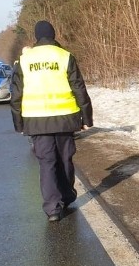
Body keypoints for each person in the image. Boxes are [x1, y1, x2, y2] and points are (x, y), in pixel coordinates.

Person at [10, 20, 93, 222]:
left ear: (37, 36)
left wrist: (19, 124)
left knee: (47, 163)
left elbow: (16, 95)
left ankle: (52, 209)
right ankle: (67, 196)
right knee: (65, 159)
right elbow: (79, 88)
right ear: (53, 35)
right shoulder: (65, 57)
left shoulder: (25, 60)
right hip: (64, 119)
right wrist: (86, 117)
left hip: (36, 120)